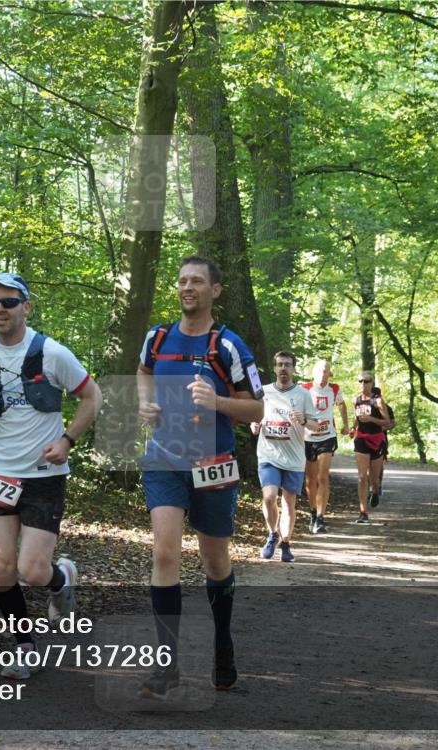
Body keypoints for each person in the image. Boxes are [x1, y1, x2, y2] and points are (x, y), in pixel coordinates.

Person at [0, 272, 102, 679]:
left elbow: (92, 396)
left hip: (43, 475)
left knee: (32, 571)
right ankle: (26, 648)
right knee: (1, 568)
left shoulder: (51, 353)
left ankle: (61, 577)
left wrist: (68, 440)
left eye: (8, 302)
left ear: (26, 307)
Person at [136, 256, 264, 698]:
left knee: (215, 561)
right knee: (166, 554)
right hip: (164, 459)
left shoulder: (228, 346)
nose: (187, 287)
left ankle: (222, 642)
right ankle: (166, 665)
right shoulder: (157, 338)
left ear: (215, 290)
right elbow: (144, 372)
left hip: (214, 463)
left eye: (196, 281)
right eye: (182, 281)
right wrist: (146, 404)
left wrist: (218, 402)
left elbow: (258, 408)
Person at [251, 351, 316, 562]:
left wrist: (304, 420)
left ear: (294, 368)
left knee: (289, 502)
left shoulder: (303, 395)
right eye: (279, 364)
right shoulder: (265, 392)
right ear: (274, 368)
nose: (283, 369)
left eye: (287, 365)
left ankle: (286, 543)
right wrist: (254, 424)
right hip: (268, 455)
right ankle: (272, 534)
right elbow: (254, 416)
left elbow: (317, 425)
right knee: (269, 497)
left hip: (295, 457)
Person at [302, 360, 348, 534]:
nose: (323, 374)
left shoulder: (334, 389)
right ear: (314, 372)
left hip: (327, 437)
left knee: (323, 476)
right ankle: (313, 512)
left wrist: (345, 425)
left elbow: (342, 404)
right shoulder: (304, 388)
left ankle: (321, 517)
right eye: (320, 371)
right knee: (310, 480)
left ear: (330, 374)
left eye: (326, 371)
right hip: (308, 438)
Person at [350, 371, 390, 524]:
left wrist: (371, 419)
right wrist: (352, 429)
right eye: (360, 381)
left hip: (376, 440)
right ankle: (363, 512)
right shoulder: (355, 400)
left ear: (372, 383)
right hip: (361, 440)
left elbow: (387, 422)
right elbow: (356, 418)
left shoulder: (378, 401)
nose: (363, 384)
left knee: (374, 478)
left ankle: (375, 491)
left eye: (366, 381)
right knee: (361, 477)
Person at [372, 386, 396, 495]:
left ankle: (378, 485)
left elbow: (392, 423)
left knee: (380, 464)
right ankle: (370, 486)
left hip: (381, 438)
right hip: (366, 438)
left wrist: (382, 428)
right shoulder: (364, 406)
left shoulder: (386, 408)